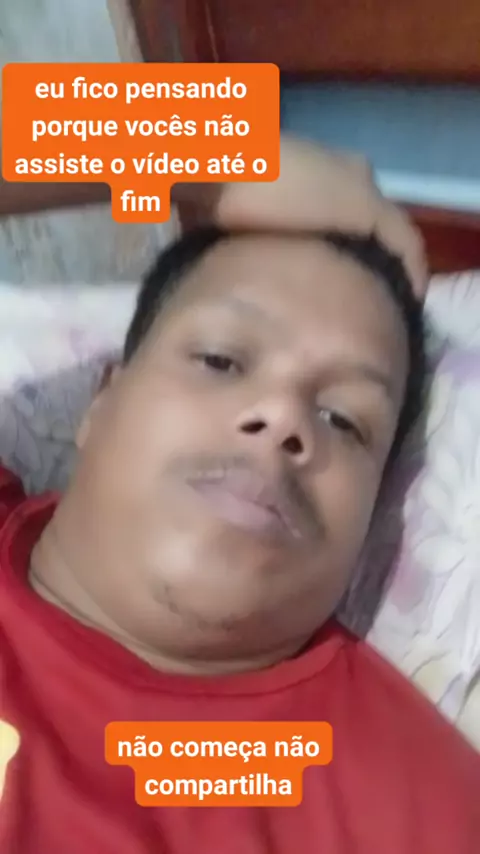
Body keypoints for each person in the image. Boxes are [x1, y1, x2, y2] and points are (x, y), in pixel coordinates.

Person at [0, 137, 478, 853]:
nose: (283, 417)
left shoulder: (414, 806)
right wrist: (215, 144)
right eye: (221, 360)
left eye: (344, 419)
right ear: (102, 401)